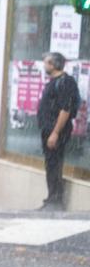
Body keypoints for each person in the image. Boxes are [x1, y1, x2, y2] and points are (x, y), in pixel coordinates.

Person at [37, 51, 81, 210]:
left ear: (54, 65)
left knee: (55, 164)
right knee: (50, 164)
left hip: (56, 131)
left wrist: (55, 132)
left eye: (46, 62)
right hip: (48, 130)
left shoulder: (65, 82)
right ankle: (51, 198)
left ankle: (56, 201)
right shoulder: (54, 81)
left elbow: (65, 109)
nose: (44, 65)